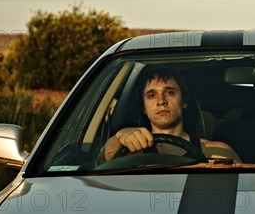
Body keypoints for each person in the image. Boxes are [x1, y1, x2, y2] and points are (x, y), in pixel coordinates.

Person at [100, 66, 241, 163]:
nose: (161, 101)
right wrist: (119, 137)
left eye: (170, 93)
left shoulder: (215, 152)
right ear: (143, 107)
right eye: (151, 95)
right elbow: (102, 165)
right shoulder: (128, 151)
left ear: (184, 101)